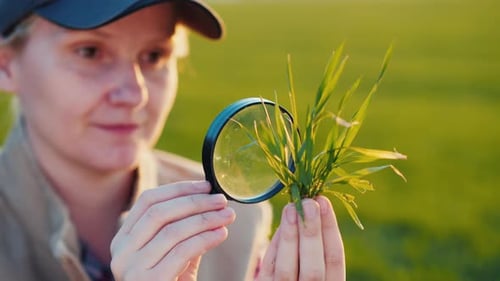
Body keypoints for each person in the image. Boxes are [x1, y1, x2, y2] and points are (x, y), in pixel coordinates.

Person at [0, 0, 345, 280]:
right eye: (90, 51)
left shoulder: (235, 222)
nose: (135, 94)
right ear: (6, 66)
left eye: (154, 56)